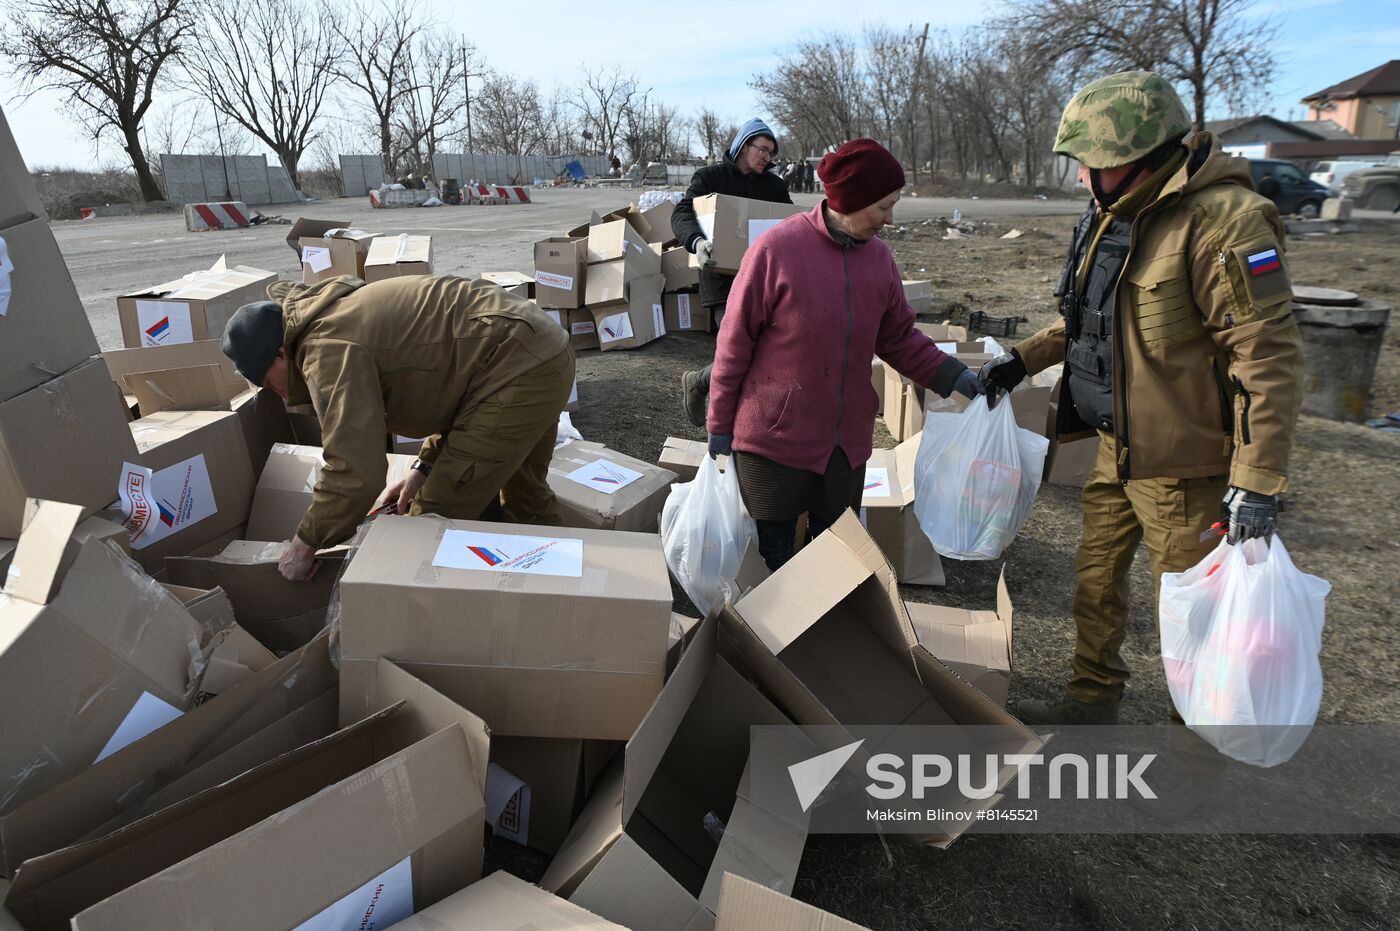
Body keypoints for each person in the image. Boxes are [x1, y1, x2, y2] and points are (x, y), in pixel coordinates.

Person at [980, 71, 1304, 816]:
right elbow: (1087, 320)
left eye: (1093, 162)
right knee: (1094, 579)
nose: (1084, 178)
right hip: (1115, 449)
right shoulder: (1112, 213)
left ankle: (1197, 765)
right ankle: (1091, 700)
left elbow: (1268, 358)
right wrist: (1019, 360)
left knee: (1195, 621)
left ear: (1139, 154)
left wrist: (1257, 480)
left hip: (1188, 468)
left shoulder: (1226, 222)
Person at [707, 138, 982, 570]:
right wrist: (720, 424)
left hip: (844, 449)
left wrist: (953, 374)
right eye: (883, 207)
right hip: (774, 441)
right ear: (852, 200)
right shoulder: (777, 250)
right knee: (772, 559)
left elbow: (900, 338)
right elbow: (734, 343)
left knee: (832, 558)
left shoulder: (880, 261)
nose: (890, 219)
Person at [221, 275, 575, 582]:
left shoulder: (325, 352)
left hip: (519, 368)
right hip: (540, 349)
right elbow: (457, 382)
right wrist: (423, 467)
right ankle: (578, 596)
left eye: (271, 383)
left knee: (429, 525)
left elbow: (354, 470)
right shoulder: (330, 317)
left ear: (281, 354)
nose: (279, 395)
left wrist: (305, 544)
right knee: (526, 497)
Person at [673, 118, 792, 427]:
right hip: (722, 279)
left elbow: (791, 224)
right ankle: (723, 410)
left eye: (771, 152)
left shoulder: (774, 186)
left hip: (765, 280)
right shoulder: (709, 178)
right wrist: (696, 243)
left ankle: (703, 385)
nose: (767, 157)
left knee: (765, 351)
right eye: (762, 149)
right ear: (743, 145)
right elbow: (682, 213)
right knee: (740, 350)